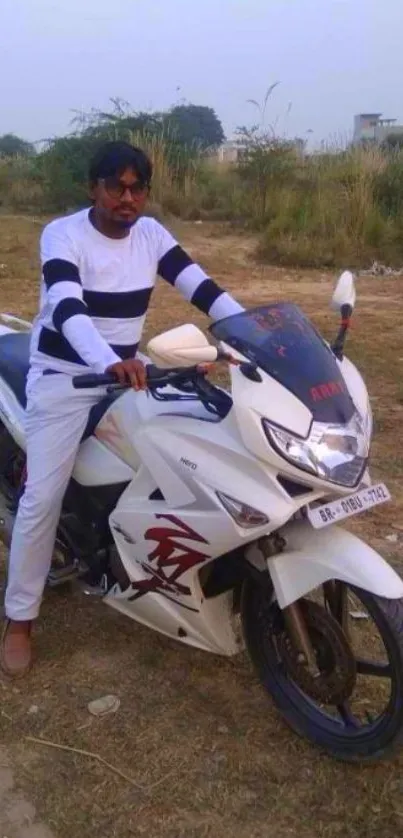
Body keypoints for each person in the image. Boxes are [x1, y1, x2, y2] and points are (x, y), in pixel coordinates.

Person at [0, 140, 244, 678]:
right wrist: (110, 361)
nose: (126, 198)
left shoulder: (151, 236)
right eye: (116, 186)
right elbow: (67, 307)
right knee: (42, 498)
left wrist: (250, 333)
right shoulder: (62, 235)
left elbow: (203, 288)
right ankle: (19, 619)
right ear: (95, 188)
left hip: (124, 372)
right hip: (66, 378)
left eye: (137, 188)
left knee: (192, 445)